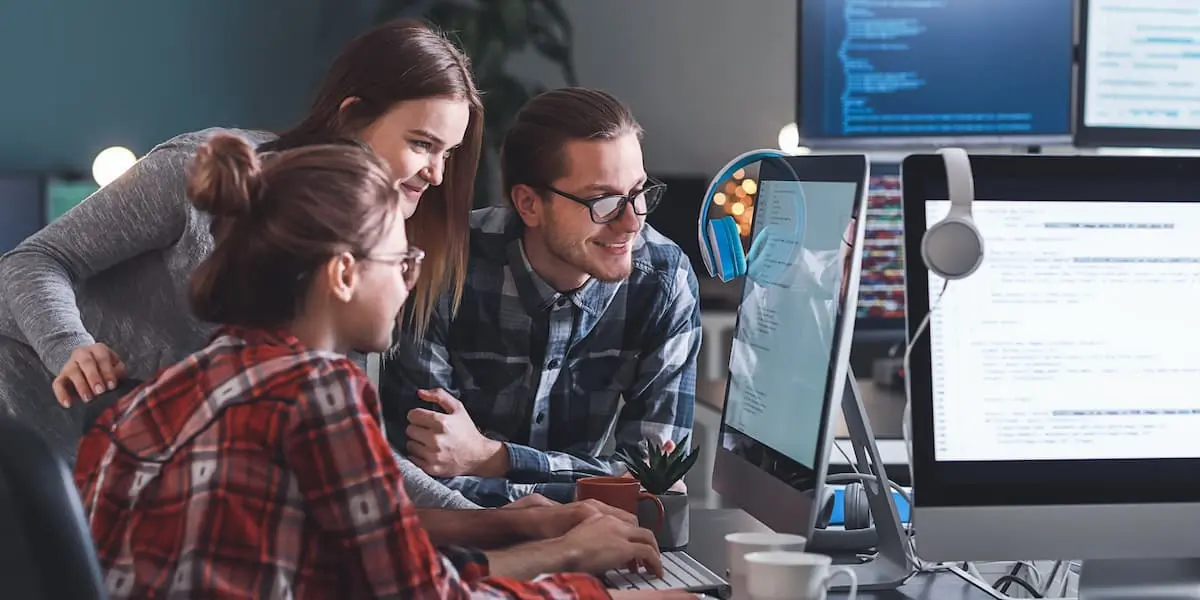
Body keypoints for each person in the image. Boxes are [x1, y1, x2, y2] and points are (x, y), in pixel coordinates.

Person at [75, 135, 689, 599]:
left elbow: (359, 548)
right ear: (344, 274)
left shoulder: (177, 384)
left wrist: (505, 526)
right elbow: (422, 594)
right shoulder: (318, 391)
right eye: (402, 262)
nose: (410, 284)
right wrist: (581, 575)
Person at [0, 18, 477, 510]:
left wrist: (485, 515)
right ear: (352, 118)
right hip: (25, 432)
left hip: (125, 479)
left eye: (448, 153)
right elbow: (32, 260)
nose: (437, 175)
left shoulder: (355, 260)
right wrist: (70, 346)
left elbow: (355, 455)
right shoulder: (194, 171)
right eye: (422, 144)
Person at [382, 88, 702, 506]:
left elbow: (656, 480)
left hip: (596, 535)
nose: (631, 222)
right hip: (463, 535)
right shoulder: (443, 265)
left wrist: (495, 458)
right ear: (529, 204)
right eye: (603, 201)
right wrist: (591, 490)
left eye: (638, 192)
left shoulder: (664, 281)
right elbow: (426, 481)